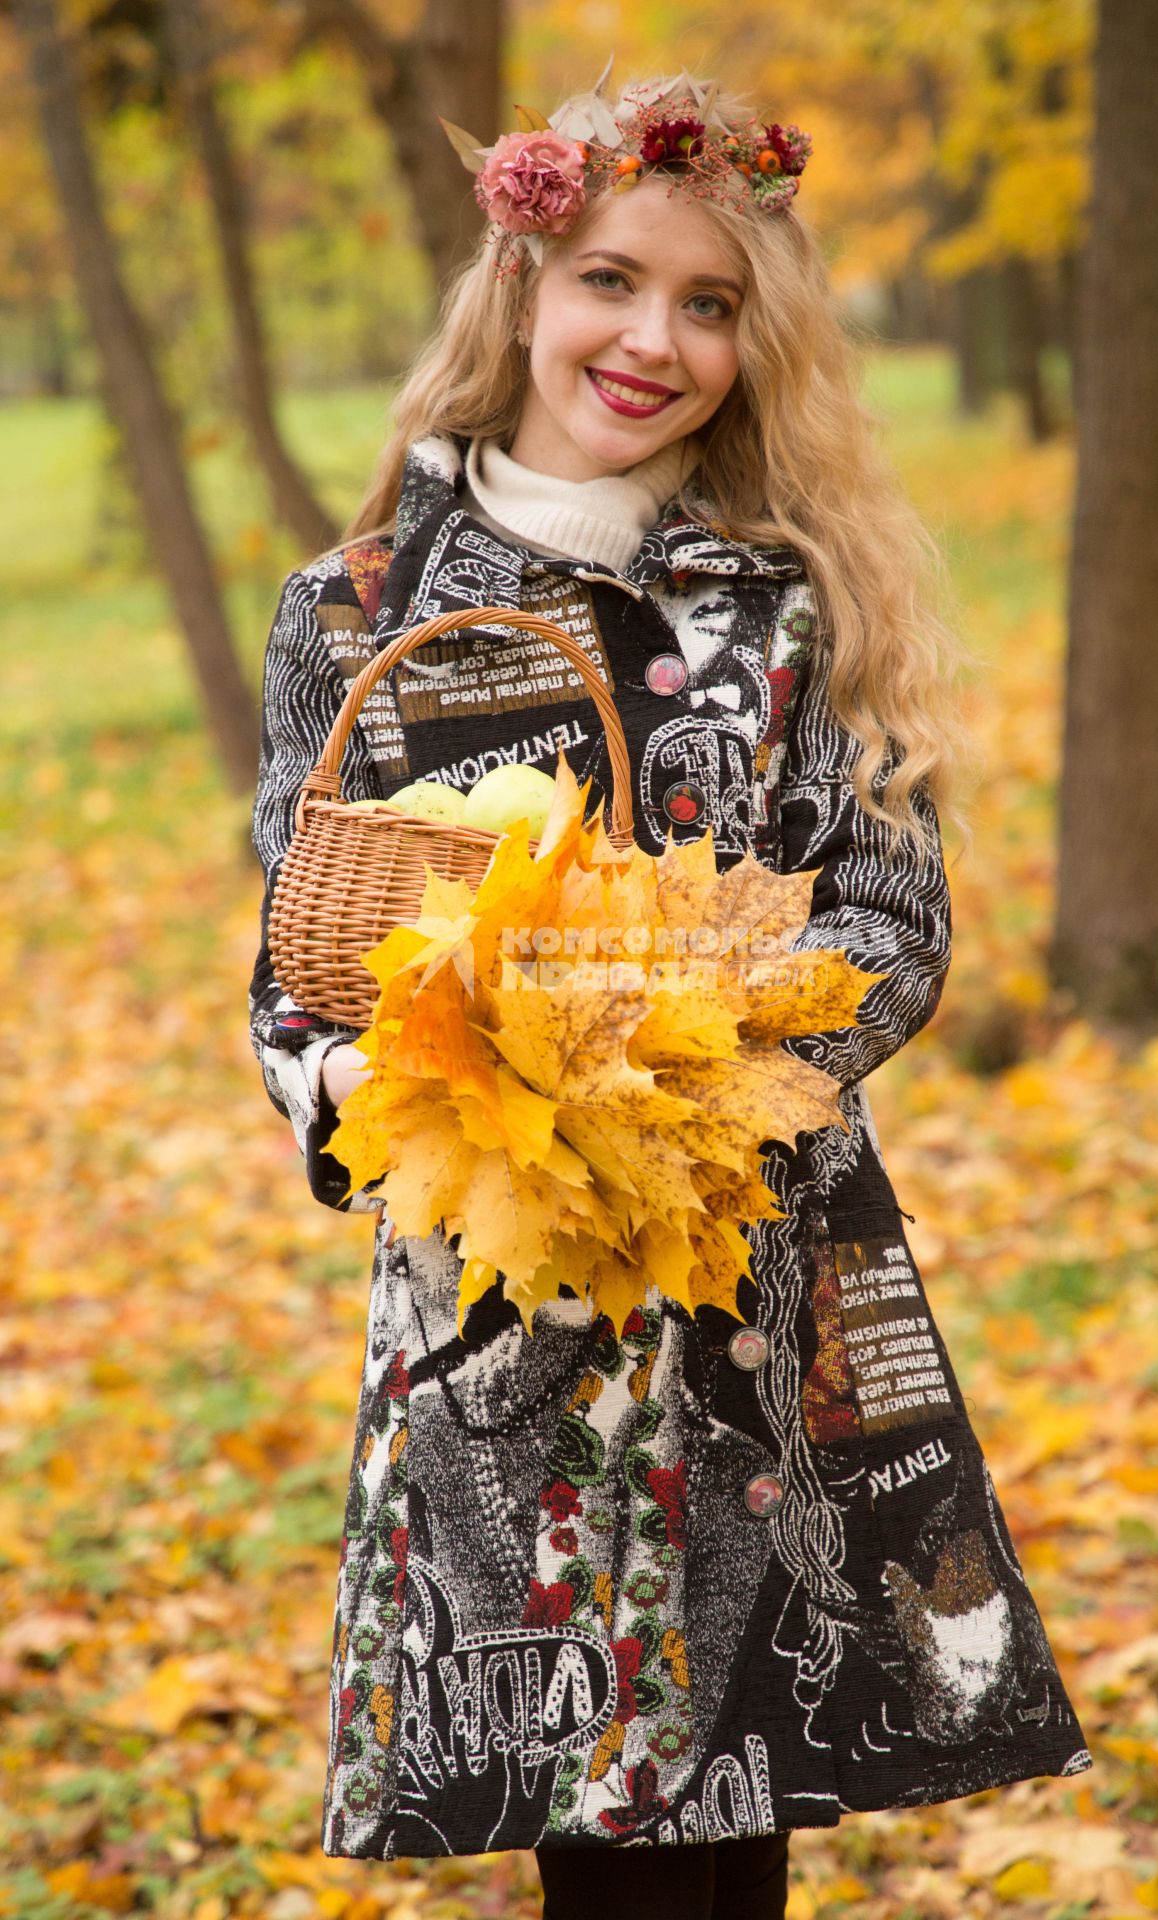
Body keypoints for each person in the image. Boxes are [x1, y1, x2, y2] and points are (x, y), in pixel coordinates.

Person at [248, 65, 1091, 1920]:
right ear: (523, 288)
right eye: (614, 282)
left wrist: (698, 1049)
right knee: (581, 1823)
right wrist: (380, 1095)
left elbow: (893, 920)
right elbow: (294, 983)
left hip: (747, 1292)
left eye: (711, 305)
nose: (654, 341)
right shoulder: (355, 610)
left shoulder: (787, 608)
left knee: (722, 1829)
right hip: (502, 1309)